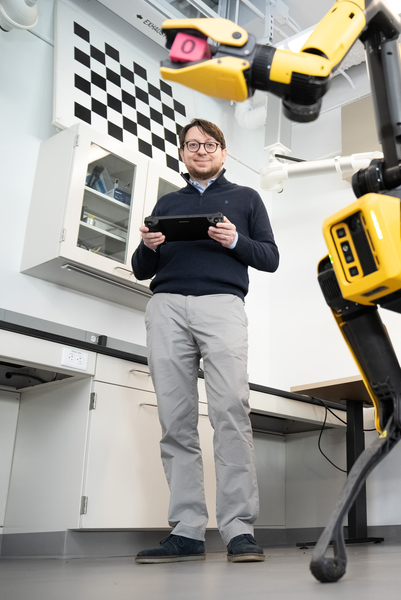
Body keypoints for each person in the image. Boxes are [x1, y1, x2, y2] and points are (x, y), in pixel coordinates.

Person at [131, 118, 279, 564]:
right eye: (191, 144)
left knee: (231, 412)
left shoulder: (246, 198)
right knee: (175, 419)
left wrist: (235, 240)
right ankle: (188, 529)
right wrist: (150, 246)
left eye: (209, 143)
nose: (200, 150)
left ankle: (238, 529)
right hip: (168, 306)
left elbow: (269, 258)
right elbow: (141, 269)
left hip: (222, 305)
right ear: (182, 152)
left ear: (223, 151)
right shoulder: (168, 201)